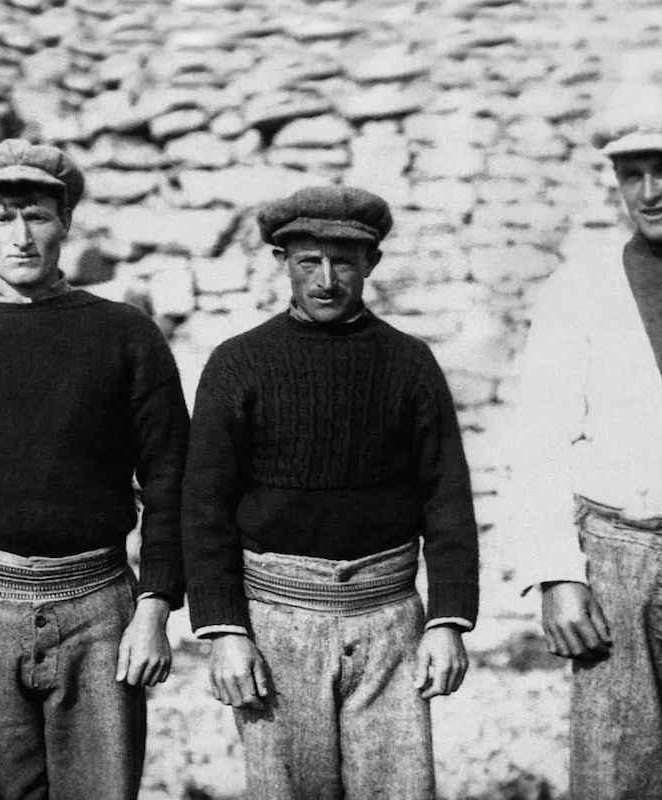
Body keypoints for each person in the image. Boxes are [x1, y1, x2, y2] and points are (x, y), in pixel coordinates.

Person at [182, 185, 479, 799]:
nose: (325, 279)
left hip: (388, 622)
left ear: (371, 262)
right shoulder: (238, 363)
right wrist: (225, 630)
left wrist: (447, 621)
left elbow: (446, 496)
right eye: (307, 261)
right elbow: (204, 508)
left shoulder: (409, 363)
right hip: (276, 623)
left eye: (342, 262)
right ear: (280, 262)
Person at [0, 138, 189, 799]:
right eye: (1, 218)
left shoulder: (127, 335)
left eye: (37, 216)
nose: (20, 237)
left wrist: (154, 607)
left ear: (65, 222)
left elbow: (171, 479)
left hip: (97, 609)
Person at [515, 100, 662, 799]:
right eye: (632, 175)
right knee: (611, 779)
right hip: (614, 562)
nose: (649, 192)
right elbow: (540, 437)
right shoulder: (578, 287)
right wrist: (556, 574)